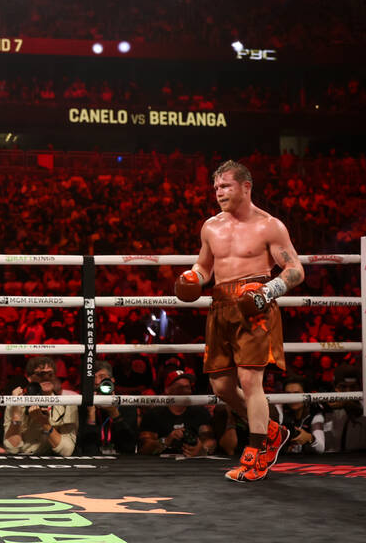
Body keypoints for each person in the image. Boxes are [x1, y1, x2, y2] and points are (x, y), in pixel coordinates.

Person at [174, 159, 304, 481]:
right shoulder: (211, 226)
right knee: (221, 385)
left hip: (255, 307)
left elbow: (296, 270)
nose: (219, 192)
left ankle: (257, 454)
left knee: (250, 381)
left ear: (246, 187)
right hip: (220, 306)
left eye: (226, 186)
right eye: (216, 187)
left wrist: (267, 291)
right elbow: (205, 266)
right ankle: (273, 431)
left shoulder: (269, 225)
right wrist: (192, 276)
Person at [3, 357, 79, 456]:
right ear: (29, 378)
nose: (46, 377)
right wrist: (16, 416)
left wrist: (44, 423)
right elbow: (12, 448)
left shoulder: (67, 404)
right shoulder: (16, 402)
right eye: (40, 374)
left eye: (50, 374)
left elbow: (67, 450)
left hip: (52, 461)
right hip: (22, 459)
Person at [138, 371, 216, 456]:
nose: (185, 391)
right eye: (180, 387)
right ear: (167, 390)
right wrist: (166, 441)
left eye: (187, 387)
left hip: (193, 463)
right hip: (160, 464)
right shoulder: (153, 414)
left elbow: (210, 440)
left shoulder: (200, 412)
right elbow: (144, 449)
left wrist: (202, 449)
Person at [79, 360, 139, 455]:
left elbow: (129, 448)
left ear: (112, 380)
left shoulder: (127, 406)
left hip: (122, 463)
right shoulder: (81, 406)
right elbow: (87, 451)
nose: (97, 382)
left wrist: (114, 413)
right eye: (93, 378)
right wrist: (91, 414)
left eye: (102, 377)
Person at [278, 374, 325, 455]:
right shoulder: (279, 410)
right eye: (288, 394)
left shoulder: (315, 415)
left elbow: (321, 448)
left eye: (297, 393)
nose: (292, 398)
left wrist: (310, 438)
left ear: (306, 395)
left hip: (306, 462)